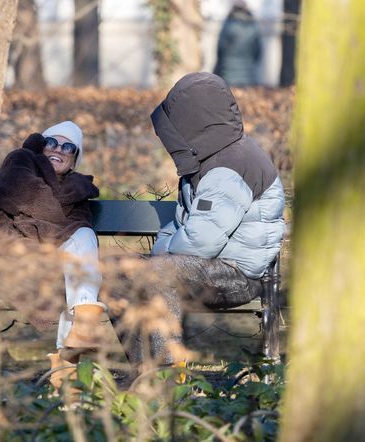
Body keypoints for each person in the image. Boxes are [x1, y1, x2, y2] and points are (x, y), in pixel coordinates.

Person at [107, 72, 285, 368]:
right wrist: (158, 253)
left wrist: (159, 255)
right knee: (116, 271)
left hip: (237, 276)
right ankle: (143, 370)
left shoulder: (230, 166)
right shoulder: (206, 160)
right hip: (204, 267)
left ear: (194, 122)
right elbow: (181, 225)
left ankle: (167, 374)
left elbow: (201, 242)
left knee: (160, 271)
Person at [0, 121, 106, 388]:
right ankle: (73, 358)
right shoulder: (20, 162)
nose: (59, 149)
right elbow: (38, 204)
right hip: (10, 260)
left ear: (74, 159)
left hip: (54, 267)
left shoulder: (78, 190)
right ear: (40, 145)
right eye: (51, 143)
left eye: (68, 147)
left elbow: (73, 228)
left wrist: (51, 236)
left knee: (83, 237)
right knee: (76, 264)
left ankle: (77, 339)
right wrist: (53, 235)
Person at [213, 0, 262, 86]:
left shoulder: (228, 25)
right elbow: (258, 52)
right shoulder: (253, 26)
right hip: (248, 77)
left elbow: (220, 49)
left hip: (227, 76)